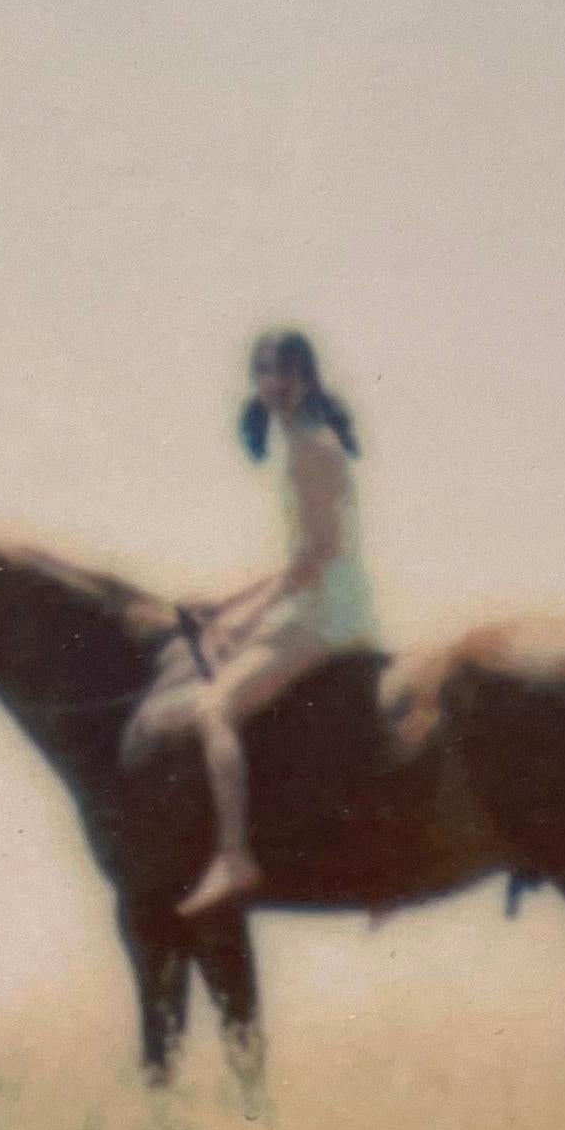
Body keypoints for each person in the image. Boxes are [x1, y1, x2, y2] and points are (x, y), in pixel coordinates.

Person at [176, 327, 382, 918]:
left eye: (288, 370)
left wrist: (245, 616)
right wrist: (228, 605)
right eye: (266, 371)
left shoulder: (310, 449)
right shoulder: (302, 443)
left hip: (325, 611)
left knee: (215, 708)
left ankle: (236, 855)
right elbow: (298, 558)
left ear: (308, 377)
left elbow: (313, 557)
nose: (278, 382)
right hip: (329, 601)